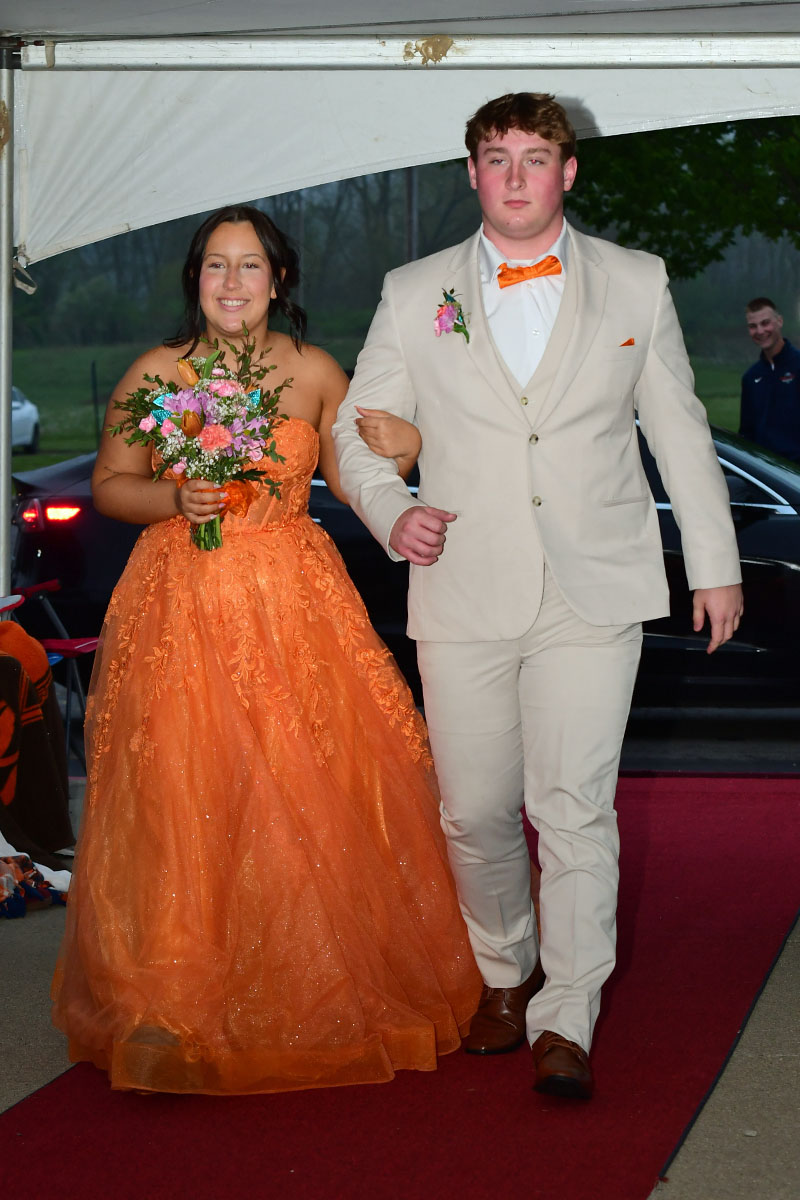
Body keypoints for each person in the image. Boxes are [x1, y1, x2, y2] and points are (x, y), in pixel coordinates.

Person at [333, 92, 743, 1100]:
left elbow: (679, 431)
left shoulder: (635, 283)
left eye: (533, 157)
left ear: (567, 172)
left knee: (571, 810)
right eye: (494, 157)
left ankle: (567, 1013)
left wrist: (713, 562)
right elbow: (355, 428)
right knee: (473, 813)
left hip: (592, 586)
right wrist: (391, 514)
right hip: (462, 582)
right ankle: (503, 972)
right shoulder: (412, 288)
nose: (514, 175)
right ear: (470, 174)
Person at [51, 204, 481, 1094]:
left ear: (278, 281)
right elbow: (110, 485)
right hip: (180, 607)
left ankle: (307, 988)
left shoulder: (318, 371)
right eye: (216, 266)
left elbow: (356, 473)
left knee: (307, 783)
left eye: (250, 267)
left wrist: (413, 447)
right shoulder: (157, 372)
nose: (232, 283)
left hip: (295, 604)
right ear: (195, 280)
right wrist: (175, 502)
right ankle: (165, 1004)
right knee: (183, 795)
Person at [740, 296, 800, 461]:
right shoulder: (751, 377)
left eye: (765, 323)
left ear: (779, 321)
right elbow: (747, 434)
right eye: (753, 326)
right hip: (765, 476)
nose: (760, 331)